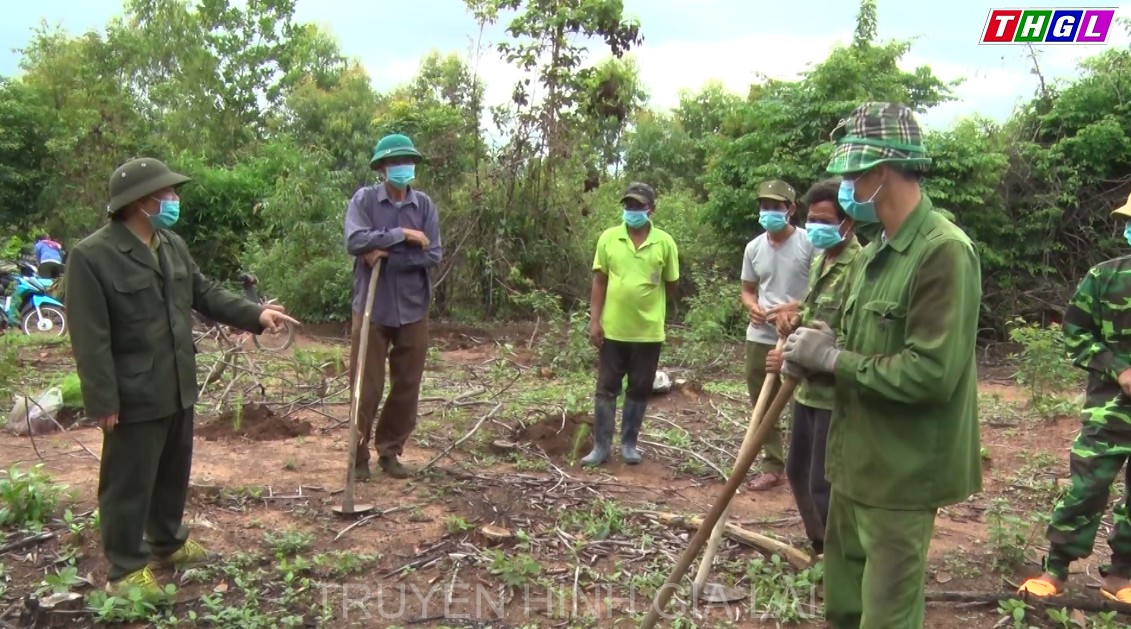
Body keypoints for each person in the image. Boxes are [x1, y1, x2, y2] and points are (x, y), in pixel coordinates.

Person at [781, 102, 982, 628]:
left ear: (882, 171)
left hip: (901, 476)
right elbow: (859, 346)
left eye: (852, 174)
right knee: (844, 608)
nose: (847, 186)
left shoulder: (943, 252)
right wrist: (819, 349)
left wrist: (833, 358)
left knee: (886, 619)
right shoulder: (874, 254)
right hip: (852, 466)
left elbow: (930, 373)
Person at [65, 158, 298, 598]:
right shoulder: (92, 256)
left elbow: (204, 293)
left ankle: (167, 542)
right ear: (139, 201)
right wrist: (102, 400)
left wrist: (256, 314)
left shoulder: (171, 244)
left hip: (177, 381)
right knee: (129, 480)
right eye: (166, 194)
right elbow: (90, 336)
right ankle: (125, 568)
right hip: (131, 391)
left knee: (172, 471)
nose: (173, 200)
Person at [1018, 191, 1131, 603]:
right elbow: (1075, 335)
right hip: (1110, 411)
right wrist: (1116, 367)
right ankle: (1057, 569)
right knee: (1087, 488)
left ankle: (1122, 575)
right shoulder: (1104, 278)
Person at [765, 178, 861, 559]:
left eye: (824, 219)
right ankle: (819, 542)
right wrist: (792, 320)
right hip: (804, 390)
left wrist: (793, 355)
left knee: (824, 482)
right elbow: (813, 311)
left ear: (847, 223)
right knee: (797, 472)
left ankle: (839, 556)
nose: (814, 226)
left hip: (833, 395)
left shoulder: (861, 267)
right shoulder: (823, 259)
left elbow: (851, 337)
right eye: (811, 218)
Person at [344, 133, 443, 481]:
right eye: (396, 162)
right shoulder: (365, 200)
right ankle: (357, 456)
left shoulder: (425, 205)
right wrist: (401, 234)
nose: (404, 168)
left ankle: (390, 450)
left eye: (409, 161)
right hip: (372, 307)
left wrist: (386, 252)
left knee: (407, 384)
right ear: (383, 168)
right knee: (365, 385)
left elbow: (433, 254)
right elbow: (355, 241)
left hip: (414, 308)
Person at [583, 182, 679, 466]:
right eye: (628, 206)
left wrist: (649, 304)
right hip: (613, 330)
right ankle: (601, 447)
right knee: (606, 388)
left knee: (639, 388)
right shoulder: (609, 239)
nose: (632, 211)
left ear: (652, 209)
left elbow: (671, 284)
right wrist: (594, 321)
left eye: (638, 206)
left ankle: (629, 444)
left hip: (648, 333)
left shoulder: (665, 242)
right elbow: (599, 281)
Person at [740, 179, 814, 491]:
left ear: (791, 210)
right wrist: (752, 307)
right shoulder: (754, 248)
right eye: (764, 207)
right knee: (763, 399)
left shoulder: (810, 243)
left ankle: (805, 467)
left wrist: (793, 307)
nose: (768, 212)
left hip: (799, 333)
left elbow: (822, 290)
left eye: (775, 207)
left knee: (800, 398)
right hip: (761, 334)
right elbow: (747, 289)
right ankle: (772, 464)